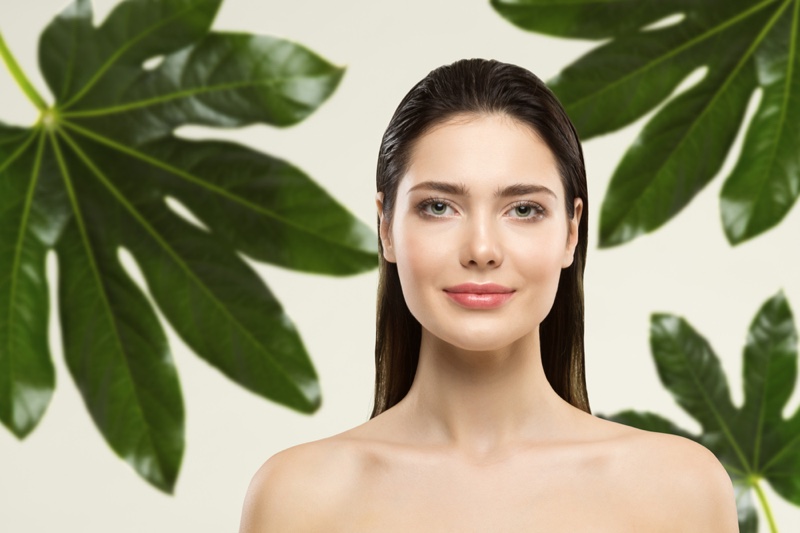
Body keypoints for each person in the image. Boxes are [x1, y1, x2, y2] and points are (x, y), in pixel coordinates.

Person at [239, 59, 738, 532]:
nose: (481, 249)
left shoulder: (679, 490)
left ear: (571, 232)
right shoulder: (298, 498)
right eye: (439, 206)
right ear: (386, 227)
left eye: (523, 209)